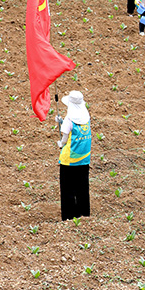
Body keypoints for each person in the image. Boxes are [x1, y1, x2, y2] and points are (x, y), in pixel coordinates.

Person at [55, 91, 92, 221]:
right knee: (82, 187)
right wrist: (61, 121)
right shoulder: (86, 118)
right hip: (84, 158)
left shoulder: (69, 120)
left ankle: (69, 217)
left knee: (68, 189)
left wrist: (60, 143)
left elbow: (64, 138)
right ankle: (84, 214)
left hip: (69, 160)